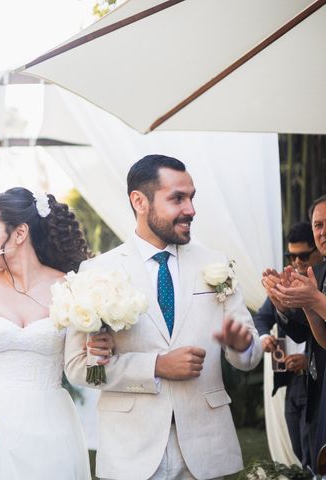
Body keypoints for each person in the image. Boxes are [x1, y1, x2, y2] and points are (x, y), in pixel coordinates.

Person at [65, 155, 263, 480]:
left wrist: (242, 347)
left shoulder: (216, 265)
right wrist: (156, 365)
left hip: (207, 449)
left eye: (192, 197)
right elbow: (78, 368)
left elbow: (250, 358)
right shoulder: (97, 274)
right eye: (177, 199)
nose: (191, 210)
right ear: (139, 201)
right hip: (131, 452)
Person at [0, 187, 113, 480]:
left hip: (50, 426)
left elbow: (83, 362)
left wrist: (97, 350)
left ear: (19, 234)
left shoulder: (71, 287)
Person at [255, 221, 320, 467]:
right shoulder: (285, 282)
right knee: (297, 446)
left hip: (314, 379)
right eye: (291, 256)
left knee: (312, 449)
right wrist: (265, 337)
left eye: (303, 256)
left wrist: (308, 358)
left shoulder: (320, 283)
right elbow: (262, 316)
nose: (297, 262)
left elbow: (310, 331)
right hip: (290, 380)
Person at [268, 195, 326, 469]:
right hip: (316, 385)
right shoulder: (320, 271)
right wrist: (285, 304)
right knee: (310, 462)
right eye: (318, 225)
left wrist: (311, 301)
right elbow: (317, 337)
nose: (323, 231)